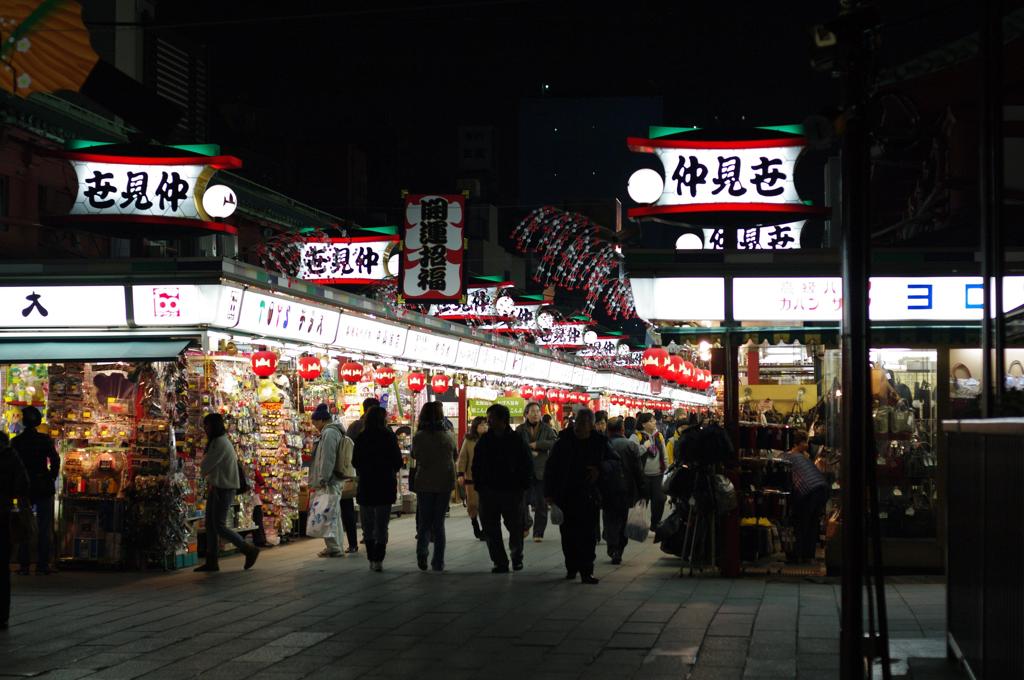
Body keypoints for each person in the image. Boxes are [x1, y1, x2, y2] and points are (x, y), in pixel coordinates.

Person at [544, 408, 608, 584]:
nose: (579, 426)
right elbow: (551, 468)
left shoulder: (600, 442)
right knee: (568, 534)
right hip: (566, 495)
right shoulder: (563, 442)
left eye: (583, 423)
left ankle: (587, 570)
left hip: (589, 495)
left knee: (588, 534)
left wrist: (599, 469)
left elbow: (613, 463)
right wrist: (549, 494)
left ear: (591, 425)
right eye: (577, 422)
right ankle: (571, 566)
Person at [472, 404, 533, 573]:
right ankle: (500, 561)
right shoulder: (484, 441)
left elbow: (527, 464)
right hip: (488, 491)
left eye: (491, 418)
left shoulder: (516, 440)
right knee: (491, 528)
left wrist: (523, 485)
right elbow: (476, 465)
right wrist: (479, 485)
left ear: (502, 420)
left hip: (512, 491)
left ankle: (516, 556)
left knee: (515, 526)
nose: (488, 421)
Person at [195, 413, 259, 572]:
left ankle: (247, 549)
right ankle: (212, 560)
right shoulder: (219, 442)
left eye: (207, 425)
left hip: (223, 488)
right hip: (218, 487)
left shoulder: (220, 443)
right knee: (211, 525)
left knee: (219, 525)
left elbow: (206, 465)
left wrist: (201, 467)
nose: (205, 429)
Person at [352, 406, 404, 572]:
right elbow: (397, 460)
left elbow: (355, 461)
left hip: (367, 484)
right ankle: (378, 559)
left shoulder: (362, 437)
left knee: (368, 524)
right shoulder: (389, 436)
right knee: (382, 524)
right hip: (385, 484)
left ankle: (371, 556)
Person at [13, 406, 60, 575]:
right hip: (43, 485)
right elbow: (55, 460)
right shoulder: (44, 440)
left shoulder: (17, 442)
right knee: (44, 526)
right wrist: (51, 477)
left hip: (26, 487)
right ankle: (42, 564)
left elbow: (14, 467)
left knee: (25, 526)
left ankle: (24, 564)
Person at [411, 401, 457, 572]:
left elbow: (415, 455)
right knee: (439, 523)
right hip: (444, 482)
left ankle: (422, 553)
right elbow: (455, 454)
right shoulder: (448, 436)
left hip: (424, 482)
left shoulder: (419, 436)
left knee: (424, 522)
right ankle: (438, 562)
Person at [309, 404, 353, 557]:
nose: (314, 426)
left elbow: (328, 458)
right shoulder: (333, 432)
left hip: (330, 480)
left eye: (315, 423)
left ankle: (334, 547)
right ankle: (335, 546)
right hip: (333, 479)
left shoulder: (329, 433)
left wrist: (323, 478)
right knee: (333, 513)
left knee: (329, 514)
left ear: (321, 420)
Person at [782, 430, 829, 563]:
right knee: (812, 523)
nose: (807, 445)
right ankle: (808, 556)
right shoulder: (804, 458)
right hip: (822, 488)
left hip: (808, 491)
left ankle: (796, 555)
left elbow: (788, 481)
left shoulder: (786, 458)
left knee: (801, 523)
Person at [603, 418, 645, 564]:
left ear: (608, 430)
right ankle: (619, 549)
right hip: (627, 489)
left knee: (610, 519)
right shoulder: (631, 446)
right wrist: (642, 491)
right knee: (623, 519)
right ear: (622, 430)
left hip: (607, 489)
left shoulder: (603, 445)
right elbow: (638, 471)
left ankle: (612, 547)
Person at [516, 402, 557, 542]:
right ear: (526, 414)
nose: (535, 414)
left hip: (541, 471)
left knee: (541, 503)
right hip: (524, 471)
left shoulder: (547, 429)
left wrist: (537, 445)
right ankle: (526, 524)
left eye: (538, 411)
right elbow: (514, 445)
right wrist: (528, 450)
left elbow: (553, 442)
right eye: (532, 411)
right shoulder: (520, 430)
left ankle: (538, 532)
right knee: (521, 502)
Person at [1, 432, 30, 628]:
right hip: (3, 515)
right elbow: (23, 484)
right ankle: (2, 615)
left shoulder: (14, 453)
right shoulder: (12, 457)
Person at [632, 412, 668, 532]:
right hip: (643, 476)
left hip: (658, 474)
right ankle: (638, 525)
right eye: (651, 421)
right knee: (642, 501)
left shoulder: (659, 436)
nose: (654, 423)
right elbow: (633, 454)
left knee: (660, 499)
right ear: (643, 424)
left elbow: (664, 454)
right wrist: (644, 447)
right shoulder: (636, 436)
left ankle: (655, 523)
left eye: (654, 421)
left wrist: (666, 470)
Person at [457, 416, 488, 541]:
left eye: (486, 424)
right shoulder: (469, 440)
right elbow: (463, 457)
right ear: (475, 427)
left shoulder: (492, 439)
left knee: (486, 506)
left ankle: (486, 529)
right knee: (473, 504)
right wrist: (460, 473)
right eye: (481, 425)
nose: (484, 427)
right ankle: (475, 524)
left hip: (488, 479)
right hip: (472, 478)